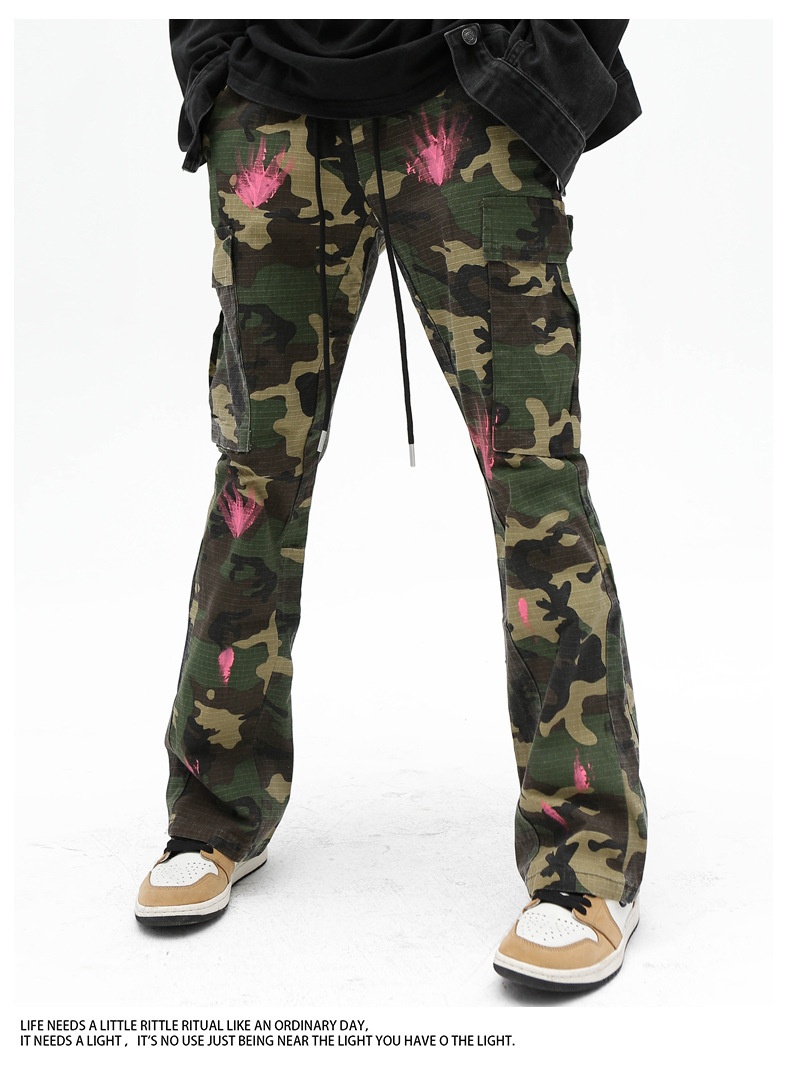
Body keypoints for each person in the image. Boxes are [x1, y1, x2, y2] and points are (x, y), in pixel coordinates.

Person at [135, 20, 648, 994]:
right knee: (254, 479)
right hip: (272, 103)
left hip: (469, 93)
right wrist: (215, 68)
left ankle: (587, 861)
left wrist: (543, 60)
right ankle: (212, 814)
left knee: (535, 484)